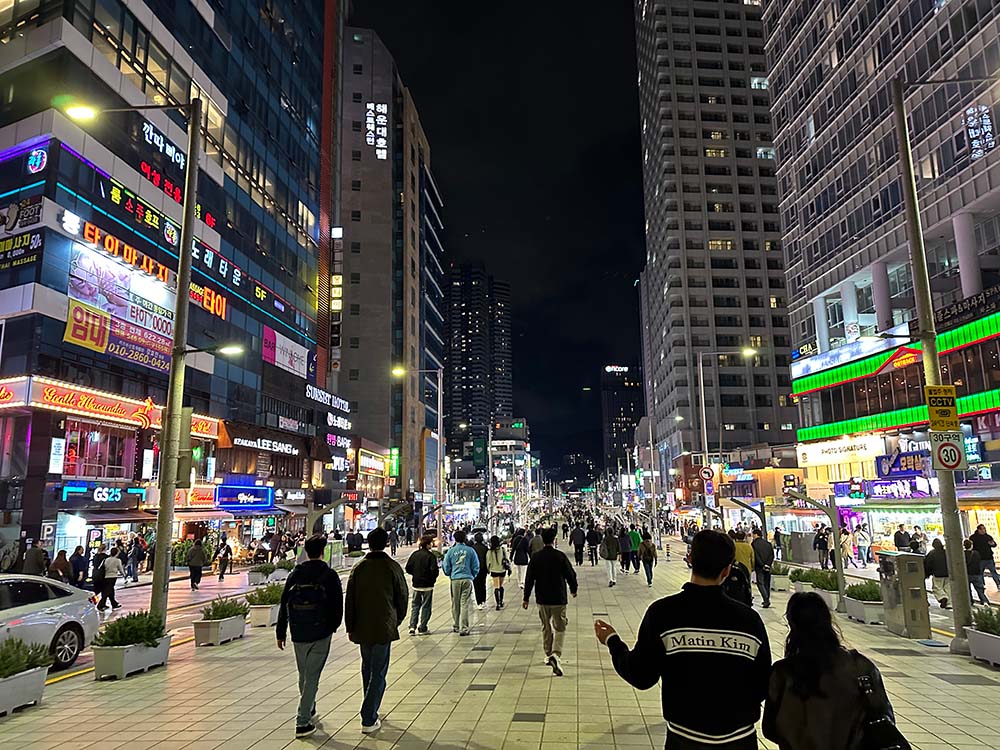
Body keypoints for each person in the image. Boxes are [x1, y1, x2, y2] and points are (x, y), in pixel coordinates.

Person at [595, 530, 771, 749]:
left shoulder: (663, 614)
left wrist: (612, 641)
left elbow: (640, 675)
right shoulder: (749, 621)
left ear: (689, 559)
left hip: (685, 739)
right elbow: (763, 683)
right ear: (727, 570)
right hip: (740, 740)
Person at [763, 593, 899, 750]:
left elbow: (770, 728)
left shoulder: (783, 673)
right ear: (827, 620)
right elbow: (884, 716)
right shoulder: (860, 666)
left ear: (793, 624)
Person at [276, 535, 344, 739]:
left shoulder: (295, 574)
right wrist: (333, 626)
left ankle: (310, 707)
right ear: (323, 552)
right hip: (321, 631)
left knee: (304, 673)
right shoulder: (329, 574)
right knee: (312, 676)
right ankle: (302, 721)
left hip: (298, 631)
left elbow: (284, 603)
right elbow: (337, 604)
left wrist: (281, 632)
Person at [344, 527, 407, 734]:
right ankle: (369, 715)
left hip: (362, 626)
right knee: (378, 671)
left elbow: (350, 600)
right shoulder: (392, 567)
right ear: (386, 542)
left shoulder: (359, 568)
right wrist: (396, 620)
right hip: (383, 626)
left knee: (367, 668)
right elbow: (403, 597)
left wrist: (350, 626)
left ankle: (371, 709)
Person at [522, 527, 578, 677]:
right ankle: (556, 653)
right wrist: (573, 589)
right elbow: (570, 574)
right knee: (560, 627)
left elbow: (529, 579)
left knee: (546, 626)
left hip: (542, 598)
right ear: (554, 540)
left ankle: (548, 654)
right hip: (559, 598)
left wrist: (526, 597)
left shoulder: (536, 557)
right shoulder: (560, 556)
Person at [442, 529, 479, 636]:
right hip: (467, 578)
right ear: (465, 539)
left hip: (455, 579)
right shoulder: (470, 550)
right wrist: (472, 575)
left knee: (455, 603)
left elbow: (446, 566)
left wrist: (449, 573)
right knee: (464, 604)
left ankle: (456, 625)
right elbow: (476, 566)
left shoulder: (451, 551)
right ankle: (464, 627)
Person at [404, 535, 438, 635]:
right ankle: (422, 627)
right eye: (431, 543)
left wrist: (415, 574)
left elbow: (408, 568)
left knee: (415, 605)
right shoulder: (431, 556)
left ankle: (412, 626)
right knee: (426, 606)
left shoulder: (415, 554)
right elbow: (434, 571)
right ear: (427, 544)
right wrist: (432, 579)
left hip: (416, 584)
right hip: (428, 585)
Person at [970, 524, 1000, 590]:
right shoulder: (973, 537)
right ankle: (981, 585)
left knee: (993, 572)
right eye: (982, 529)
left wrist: (993, 544)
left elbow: (994, 544)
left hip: (989, 558)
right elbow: (971, 547)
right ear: (978, 530)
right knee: (980, 573)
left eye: (984, 529)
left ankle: (998, 584)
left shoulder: (988, 537)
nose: (984, 530)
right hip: (979, 559)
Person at [924, 537, 950, 609]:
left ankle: (942, 598)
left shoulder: (932, 553)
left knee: (937, 588)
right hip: (948, 573)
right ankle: (949, 604)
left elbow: (928, 564)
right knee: (947, 588)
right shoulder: (946, 552)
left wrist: (928, 573)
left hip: (937, 573)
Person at [751, 528, 775, 608]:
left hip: (759, 567)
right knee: (767, 583)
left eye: (753, 535)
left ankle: (766, 600)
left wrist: (762, 565)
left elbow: (756, 556)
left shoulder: (754, 544)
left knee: (760, 583)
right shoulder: (768, 544)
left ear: (755, 535)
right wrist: (768, 564)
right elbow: (772, 555)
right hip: (768, 566)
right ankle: (766, 599)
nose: (752, 536)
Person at [486, 535, 509, 610]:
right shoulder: (502, 549)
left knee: (496, 586)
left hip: (494, 571)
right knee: (501, 586)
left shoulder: (489, 551)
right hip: (502, 570)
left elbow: (488, 562)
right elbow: (507, 559)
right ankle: (501, 601)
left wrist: (488, 570)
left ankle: (497, 603)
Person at [964, 539, 989, 606]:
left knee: (968, 590)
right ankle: (984, 600)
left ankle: (970, 601)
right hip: (976, 573)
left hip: (967, 574)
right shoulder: (976, 553)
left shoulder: (962, 554)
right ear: (971, 545)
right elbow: (979, 562)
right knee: (979, 589)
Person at [471, 532, 489, 610]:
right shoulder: (485, 548)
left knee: (476, 585)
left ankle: (479, 602)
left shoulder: (472, 548)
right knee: (483, 584)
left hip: (475, 569)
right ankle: (483, 600)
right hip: (483, 568)